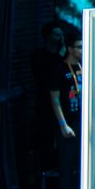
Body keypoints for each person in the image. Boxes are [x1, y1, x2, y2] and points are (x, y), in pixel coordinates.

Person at [48, 35, 84, 189]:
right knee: (67, 163)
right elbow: (55, 99)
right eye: (79, 47)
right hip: (69, 123)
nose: (82, 50)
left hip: (84, 121)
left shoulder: (84, 66)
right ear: (70, 49)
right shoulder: (59, 70)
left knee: (83, 161)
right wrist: (63, 124)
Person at [31, 21, 66, 179]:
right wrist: (59, 56)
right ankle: (47, 173)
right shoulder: (39, 56)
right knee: (46, 138)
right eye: (56, 34)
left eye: (61, 35)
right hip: (45, 104)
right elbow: (47, 76)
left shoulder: (63, 56)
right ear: (47, 36)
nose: (60, 38)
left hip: (63, 102)